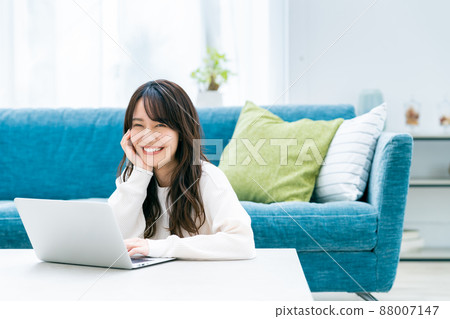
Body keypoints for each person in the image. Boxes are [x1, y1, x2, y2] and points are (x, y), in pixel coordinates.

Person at [108, 79, 256, 260]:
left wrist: (155, 247)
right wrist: (141, 173)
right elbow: (112, 242)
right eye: (138, 125)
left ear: (181, 130)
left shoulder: (207, 177)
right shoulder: (133, 178)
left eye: (160, 125)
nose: (148, 136)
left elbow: (242, 243)